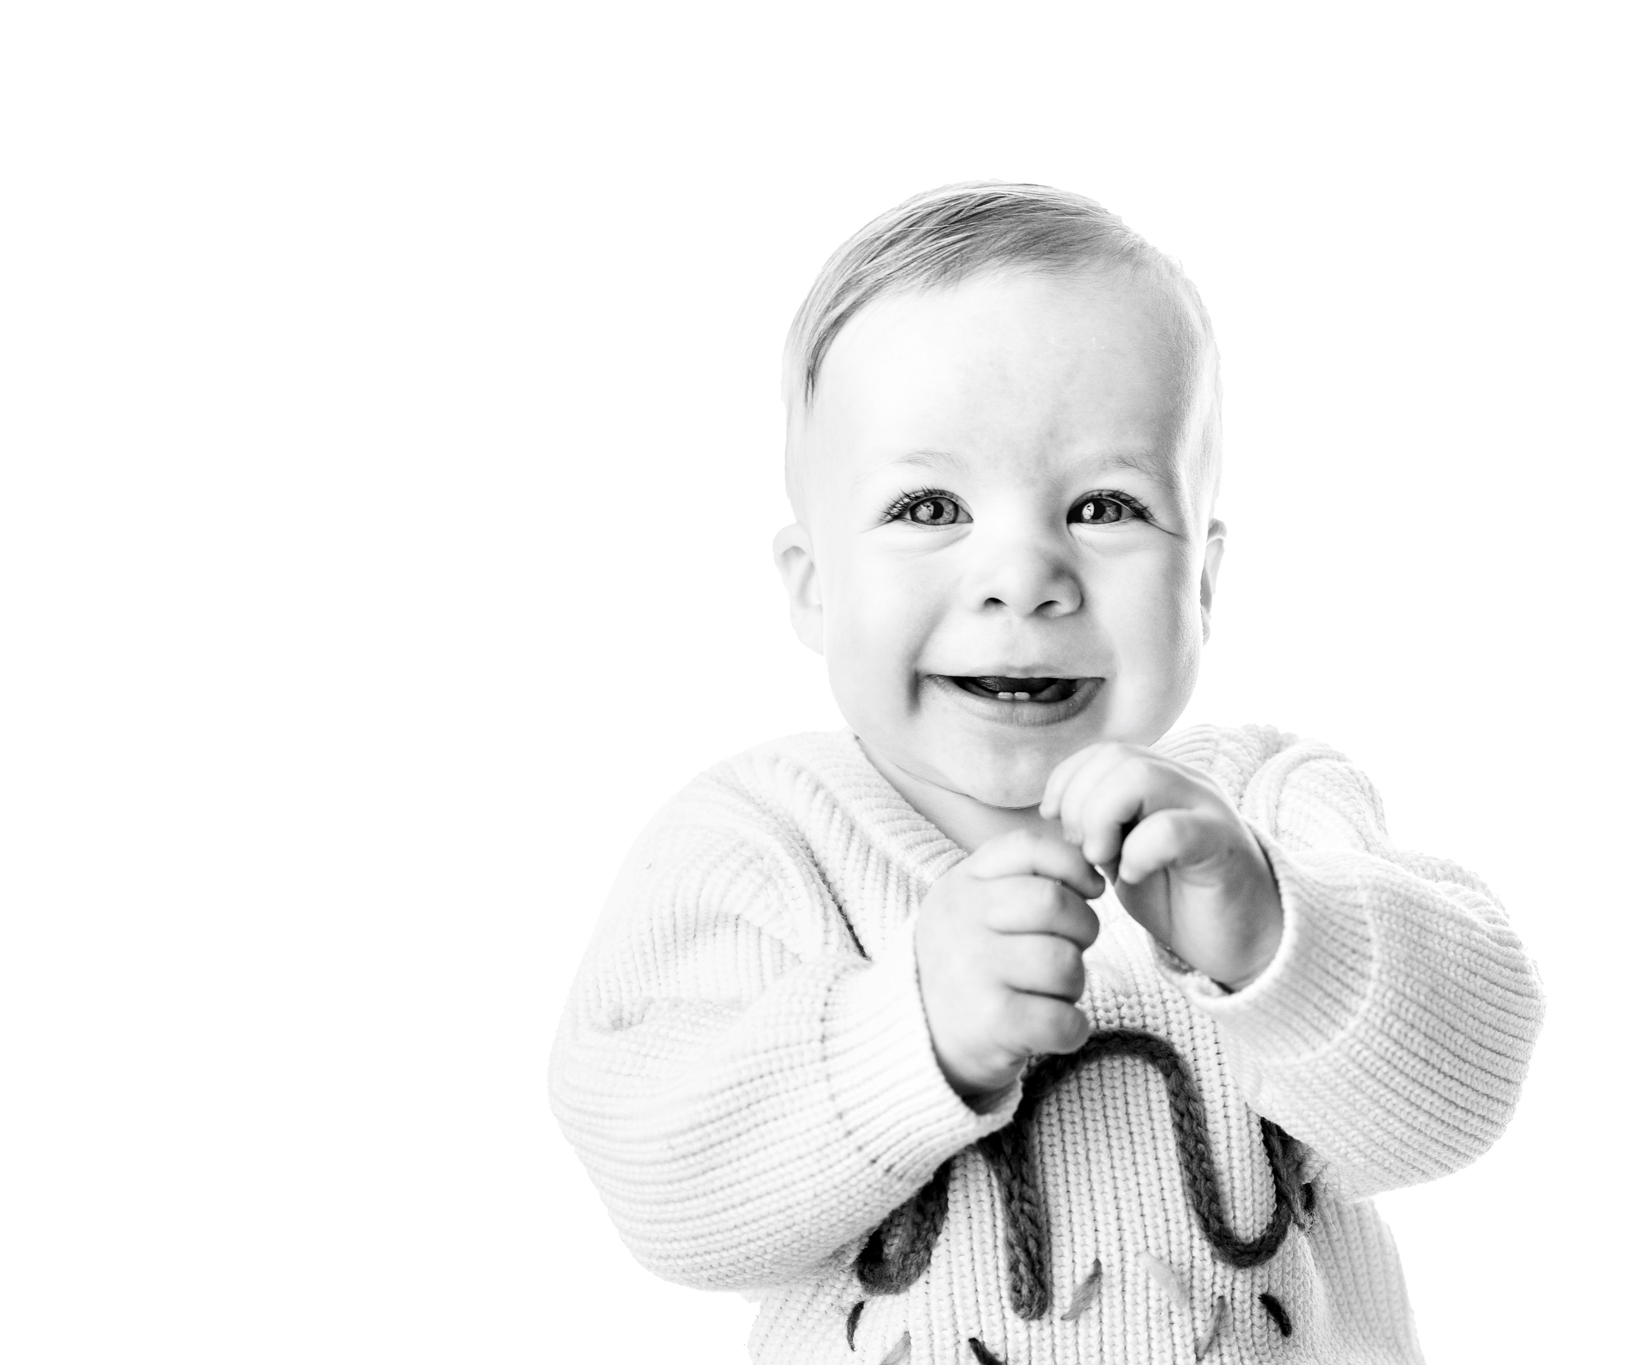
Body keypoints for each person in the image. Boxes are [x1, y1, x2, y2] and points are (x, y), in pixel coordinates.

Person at [549, 182, 1545, 1364]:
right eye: (928, 506)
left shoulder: (1268, 812)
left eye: (1104, 505)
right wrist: (906, 1033)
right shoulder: (762, 843)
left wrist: (1277, 937)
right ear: (811, 583)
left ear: (1203, 581)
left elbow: (1459, 1094)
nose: (1023, 574)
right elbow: (664, 1191)